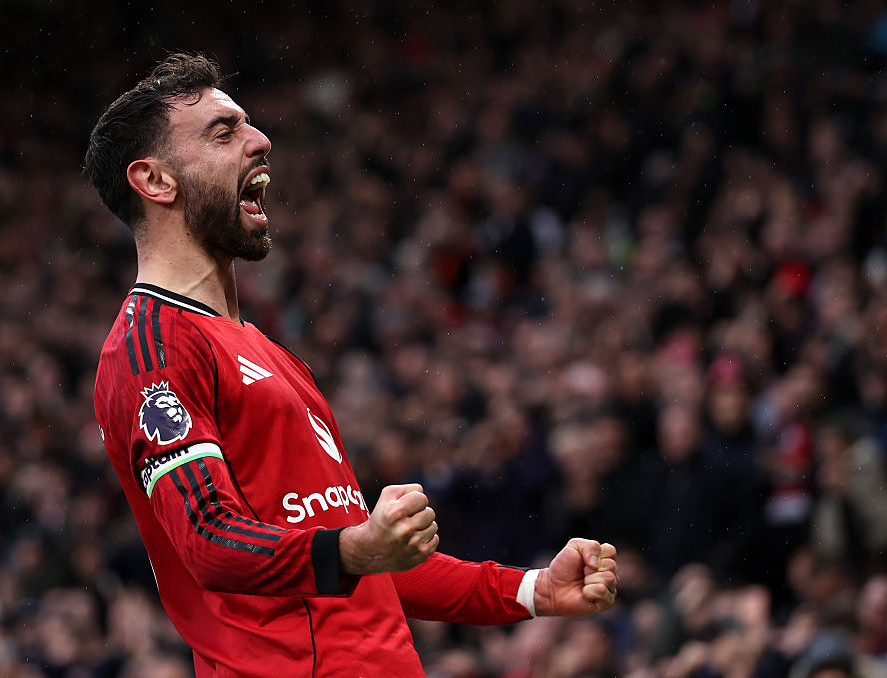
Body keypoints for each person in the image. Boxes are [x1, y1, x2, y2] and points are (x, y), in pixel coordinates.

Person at [85, 53, 618, 677]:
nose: (261, 141)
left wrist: (531, 592)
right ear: (155, 182)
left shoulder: (271, 353)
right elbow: (210, 539)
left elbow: (365, 561)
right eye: (223, 133)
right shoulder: (151, 347)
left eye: (247, 125)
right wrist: (357, 547)